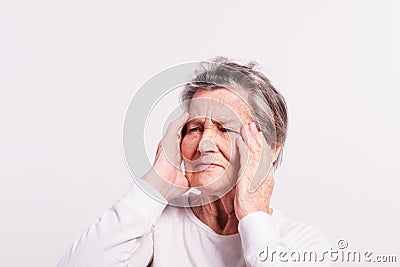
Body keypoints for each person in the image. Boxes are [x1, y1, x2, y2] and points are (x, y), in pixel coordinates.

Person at [58, 58, 330, 266]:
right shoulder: (154, 228)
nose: (204, 144)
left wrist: (253, 216)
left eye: (225, 128)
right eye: (195, 128)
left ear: (268, 151)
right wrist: (154, 187)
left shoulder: (301, 242)